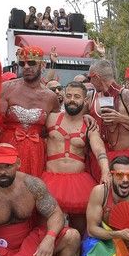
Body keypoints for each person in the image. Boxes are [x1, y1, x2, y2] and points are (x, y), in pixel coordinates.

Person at [42, 81, 110, 234]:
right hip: (50, 181)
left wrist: (105, 171)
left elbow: (99, 149)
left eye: (77, 96)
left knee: (80, 230)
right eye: (69, 95)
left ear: (85, 101)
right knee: (47, 228)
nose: (72, 99)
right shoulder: (51, 118)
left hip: (78, 185)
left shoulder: (89, 125)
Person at [0, 46, 61, 177]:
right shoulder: (6, 88)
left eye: (31, 63)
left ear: (42, 65)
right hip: (7, 148)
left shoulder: (51, 97)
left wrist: (86, 116)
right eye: (22, 63)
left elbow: (55, 127)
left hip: (36, 152)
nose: (26, 67)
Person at [88, 59, 129, 194]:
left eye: (90, 78)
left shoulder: (125, 94)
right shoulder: (92, 95)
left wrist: (121, 118)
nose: (90, 82)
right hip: (105, 158)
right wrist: (85, 116)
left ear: (96, 77)